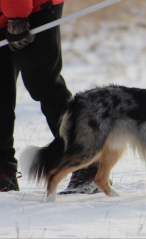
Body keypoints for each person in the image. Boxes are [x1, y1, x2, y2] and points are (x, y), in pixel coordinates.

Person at [0, 0, 100, 194]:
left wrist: (17, 16)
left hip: (32, 8)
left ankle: (86, 163)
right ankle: (3, 172)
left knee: (44, 83)